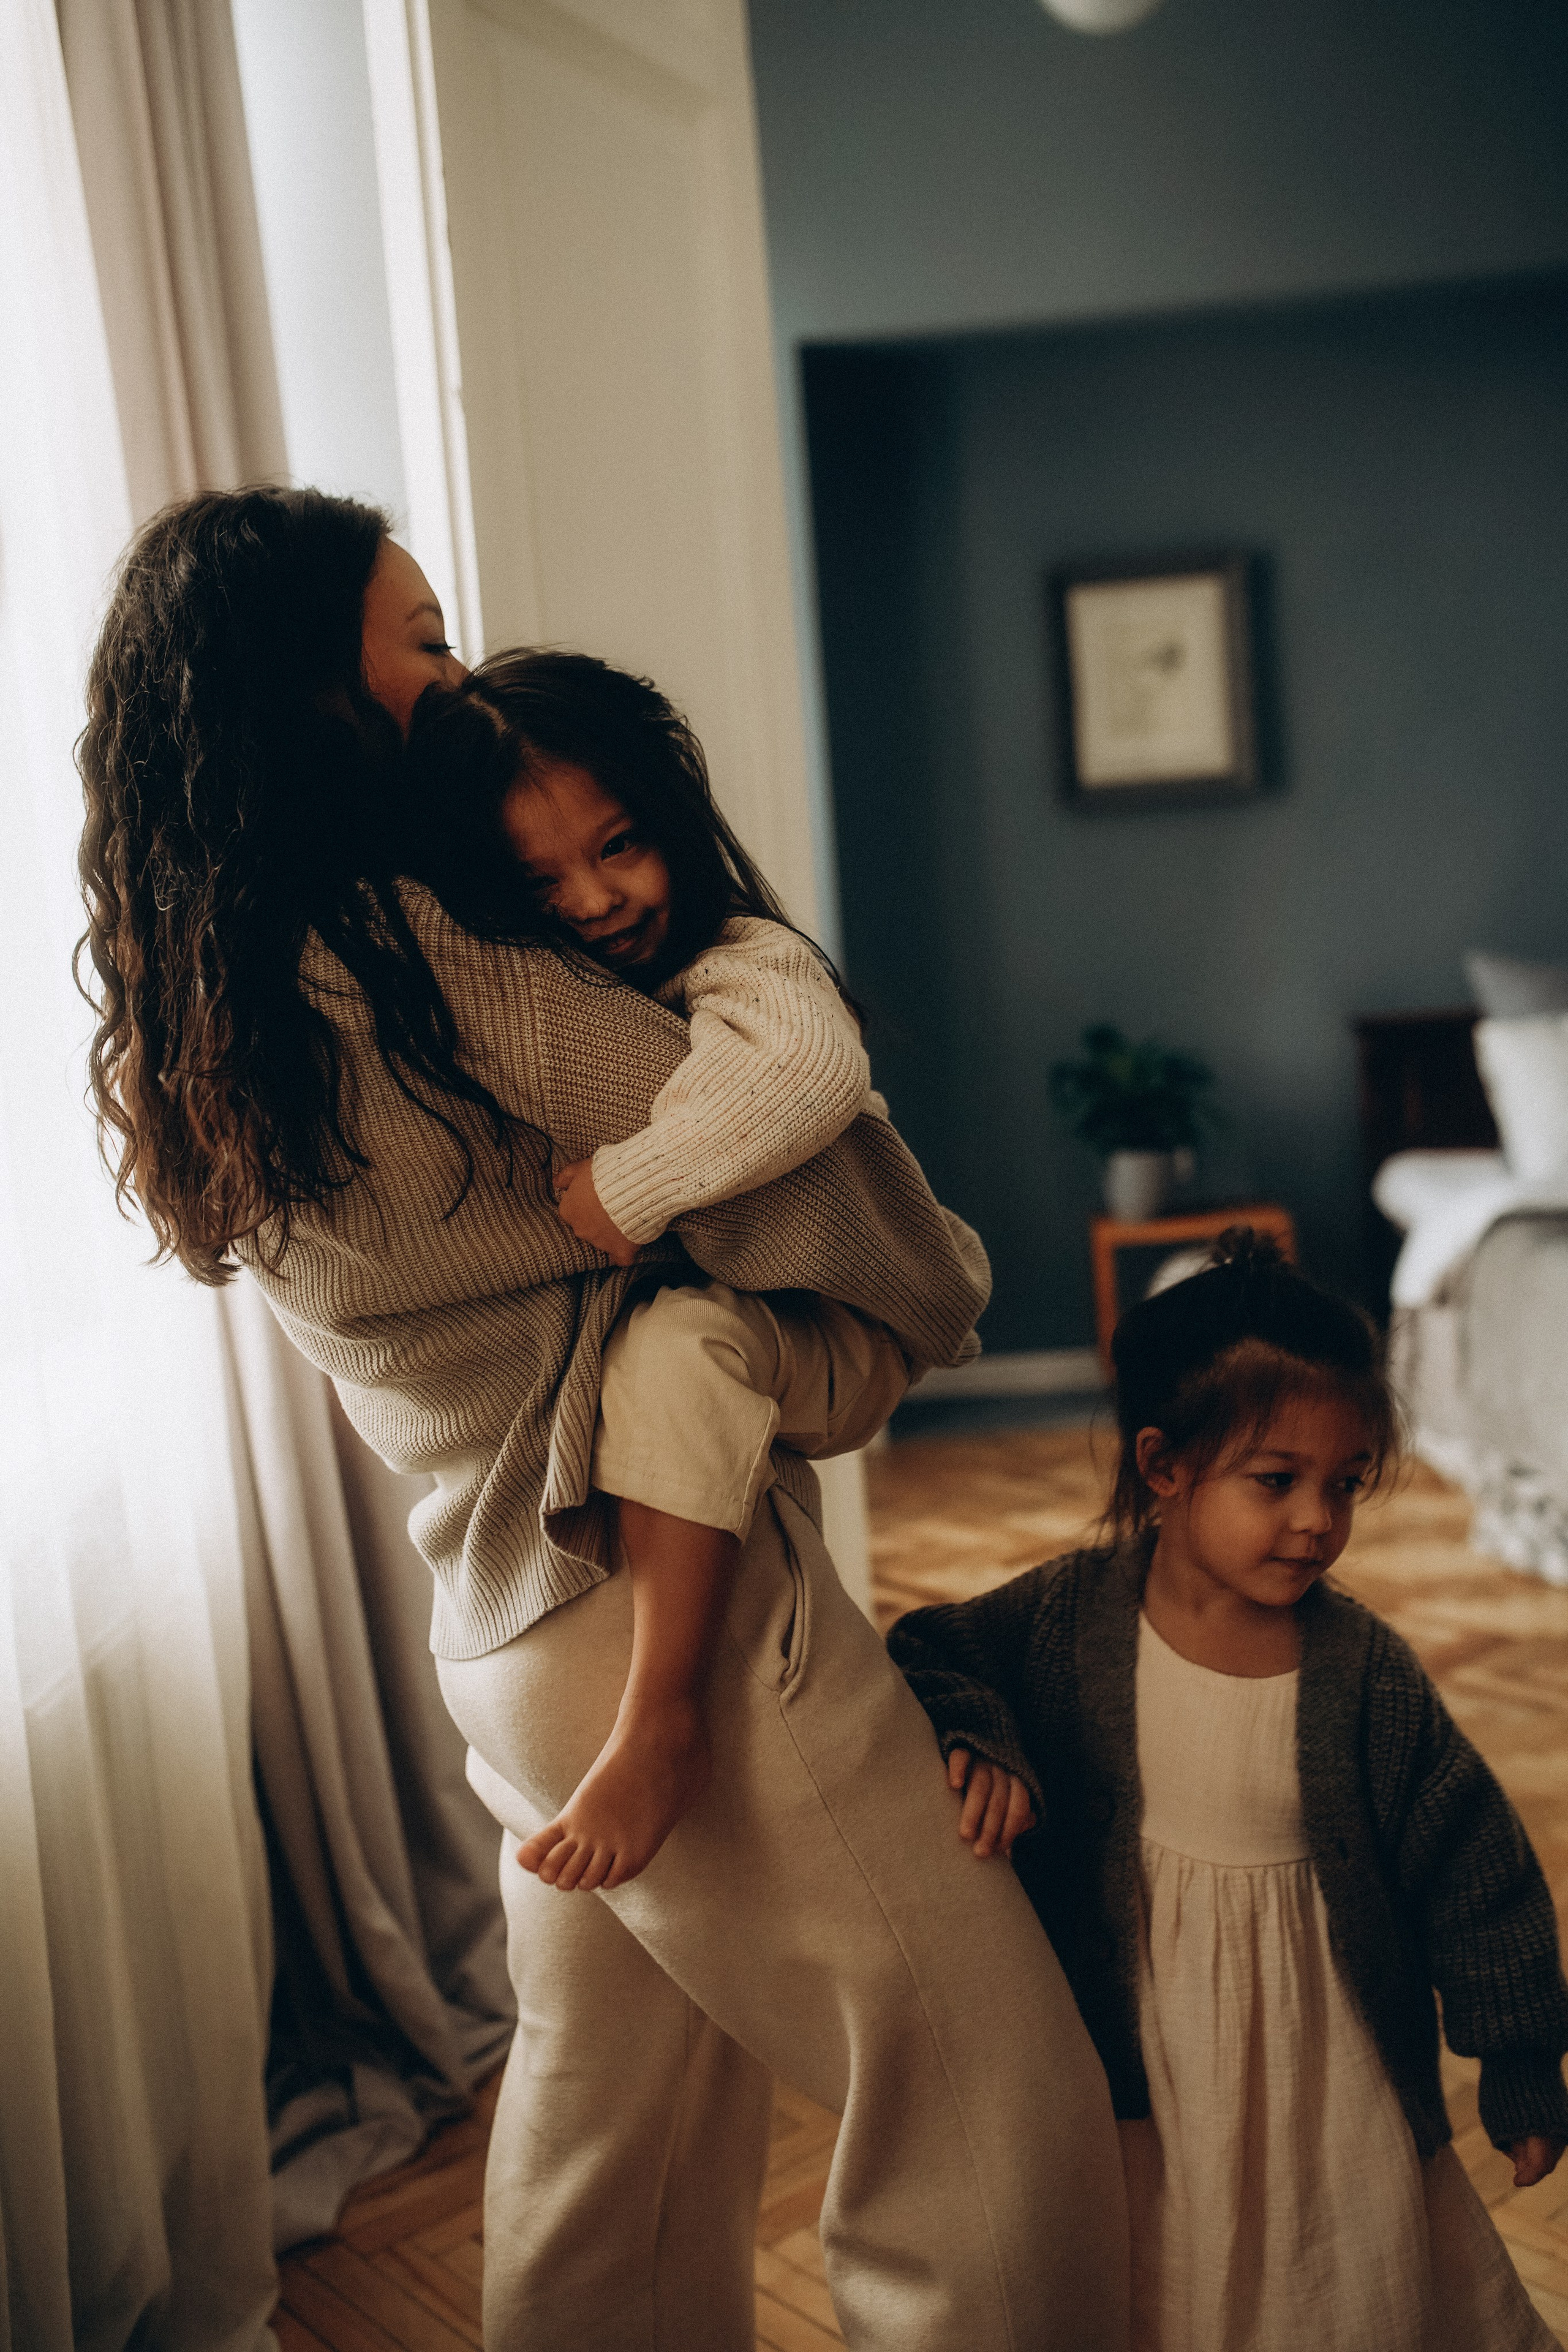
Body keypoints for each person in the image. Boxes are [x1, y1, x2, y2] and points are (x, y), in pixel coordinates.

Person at [78, 485, 1129, 2352]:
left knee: (611, 2154)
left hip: (499, 1628)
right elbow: (820, 1193)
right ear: (324, 697)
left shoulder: (217, 1004)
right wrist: (937, 1282)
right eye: (419, 643)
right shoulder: (419, 959)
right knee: (985, 2104)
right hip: (653, 1603)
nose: (458, 670)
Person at [889, 1227, 1568, 2352]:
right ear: (1163, 1467)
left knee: (1349, 2274)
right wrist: (985, 1739)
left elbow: (1477, 1869)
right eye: (1277, 1481)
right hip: (1150, 2060)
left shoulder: (1364, 1674)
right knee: (1176, 2281)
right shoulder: (1070, 1617)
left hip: (1328, 2061)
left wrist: (1521, 2061)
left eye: (1345, 1486)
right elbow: (934, 1650)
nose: (1318, 1519)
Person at [401, 650, 907, 1897]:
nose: (592, 899)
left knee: (670, 1351)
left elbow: (805, 1078)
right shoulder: (558, 992)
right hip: (744, 1324)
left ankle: (663, 1715)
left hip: (841, 1332)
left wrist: (631, 1187)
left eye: (619, 846)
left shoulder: (741, 959)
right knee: (666, 1356)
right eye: (541, 881)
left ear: (674, 821)